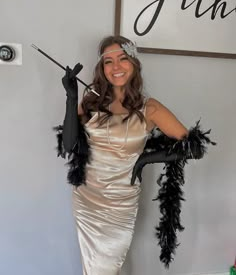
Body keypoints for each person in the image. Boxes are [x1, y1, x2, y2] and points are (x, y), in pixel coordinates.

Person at [56, 35, 214, 274]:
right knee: (94, 267)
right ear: (102, 68)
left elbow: (195, 147)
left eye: (122, 58)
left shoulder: (149, 108)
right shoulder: (90, 103)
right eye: (108, 61)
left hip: (120, 202)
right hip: (87, 198)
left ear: (134, 63)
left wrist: (145, 160)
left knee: (105, 267)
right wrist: (71, 97)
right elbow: (68, 146)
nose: (116, 67)